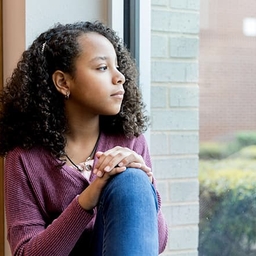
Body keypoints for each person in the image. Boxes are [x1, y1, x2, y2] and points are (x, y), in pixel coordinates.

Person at [0, 21, 168, 255]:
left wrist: (146, 183)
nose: (119, 77)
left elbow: (156, 244)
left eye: (118, 67)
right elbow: (24, 253)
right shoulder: (24, 158)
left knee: (132, 179)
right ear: (63, 82)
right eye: (102, 68)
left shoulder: (129, 140)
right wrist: (87, 200)